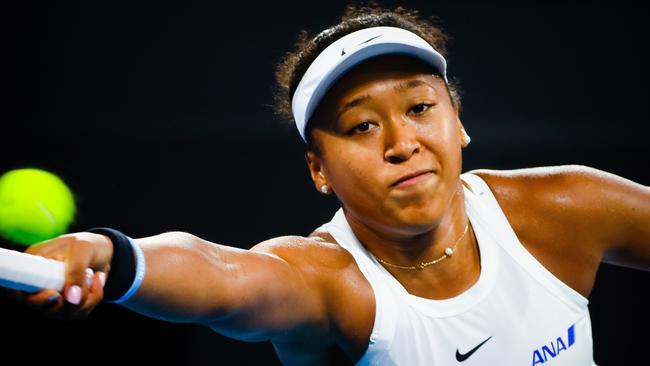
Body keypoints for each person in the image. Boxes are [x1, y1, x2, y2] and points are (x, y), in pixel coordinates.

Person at [4, 3, 649, 366]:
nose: (403, 143)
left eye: (420, 108)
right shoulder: (331, 285)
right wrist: (115, 258)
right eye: (362, 126)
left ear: (460, 123)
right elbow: (224, 277)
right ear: (319, 169)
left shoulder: (564, 209)